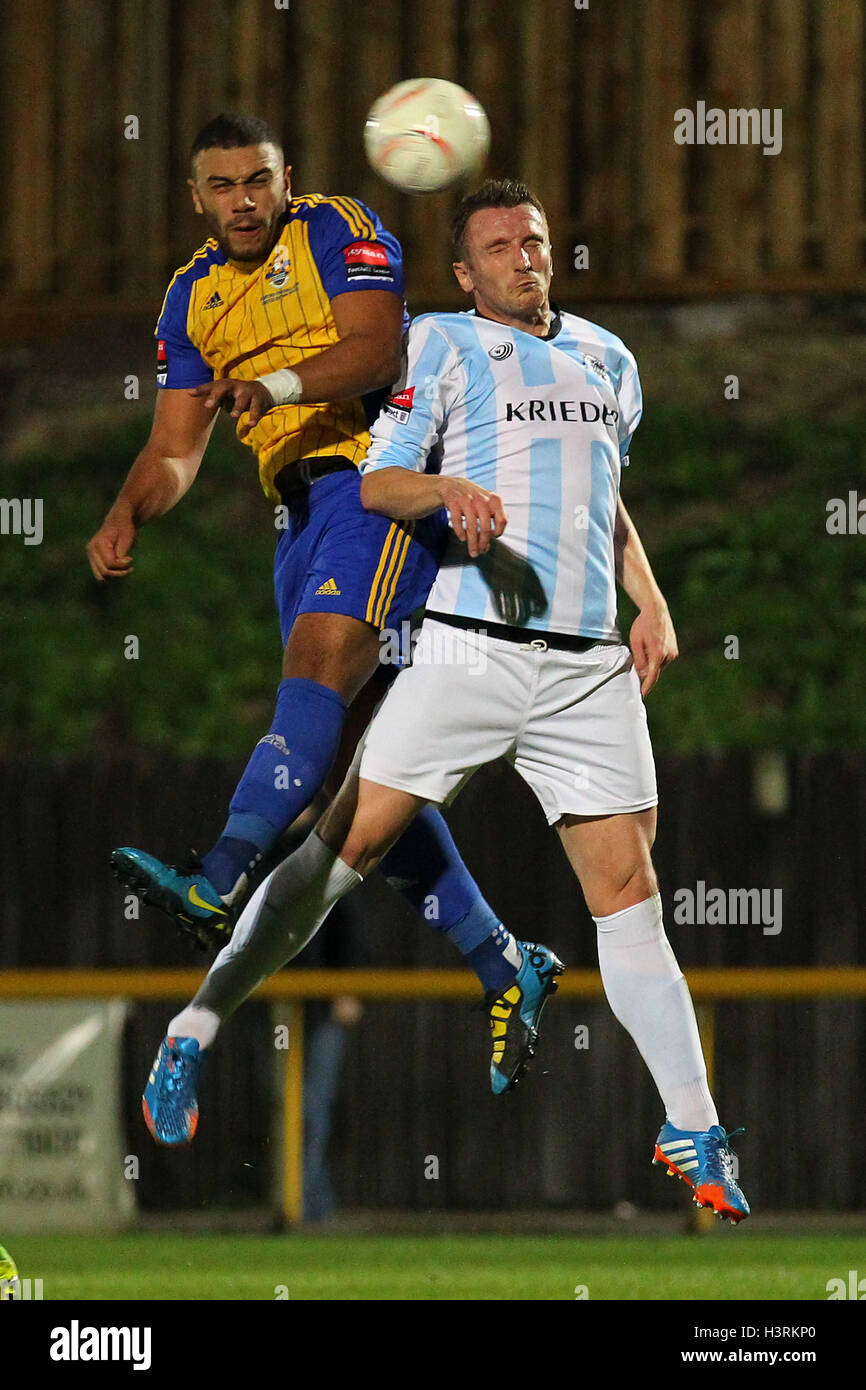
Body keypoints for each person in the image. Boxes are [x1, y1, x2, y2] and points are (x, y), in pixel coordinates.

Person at [141, 177, 748, 1222]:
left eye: (535, 239)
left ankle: (688, 1124)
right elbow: (379, 484)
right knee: (337, 856)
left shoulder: (610, 360)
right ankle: (190, 1031)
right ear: (465, 273)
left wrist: (646, 600)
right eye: (499, 247)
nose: (523, 256)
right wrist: (446, 491)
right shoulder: (440, 345)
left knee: (631, 893)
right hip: (470, 654)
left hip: (584, 671)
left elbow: (603, 499)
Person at [89, 114, 563, 1101]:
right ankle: (501, 961)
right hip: (300, 514)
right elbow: (177, 446)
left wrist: (278, 379)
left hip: (374, 481)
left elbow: (380, 349)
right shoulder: (191, 296)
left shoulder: (333, 227)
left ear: (285, 176)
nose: (243, 199)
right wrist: (128, 511)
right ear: (197, 198)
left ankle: (215, 876)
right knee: (353, 781)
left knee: (314, 681)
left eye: (256, 179)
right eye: (221, 185)